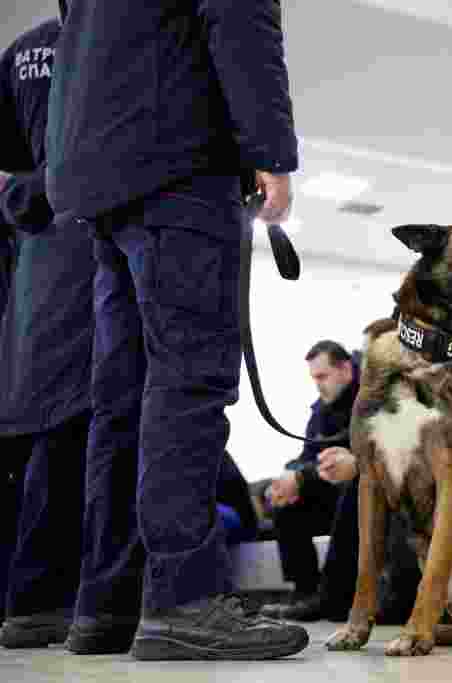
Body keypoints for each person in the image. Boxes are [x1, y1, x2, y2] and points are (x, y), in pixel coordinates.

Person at [47, 0, 308, 660]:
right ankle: (183, 600)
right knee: (187, 379)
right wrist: (270, 150)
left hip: (99, 169)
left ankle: (108, 602)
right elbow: (241, 14)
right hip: (177, 158)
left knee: (123, 396)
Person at [0, 16, 93, 650]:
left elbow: (9, 171)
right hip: (90, 250)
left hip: (35, 269)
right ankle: (54, 602)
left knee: (48, 448)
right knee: (81, 445)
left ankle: (35, 602)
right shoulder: (123, 34)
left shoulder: (22, 50)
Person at [262, 340, 360, 609]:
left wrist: (302, 476)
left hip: (362, 491)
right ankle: (305, 591)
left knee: (349, 492)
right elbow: (307, 456)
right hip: (328, 489)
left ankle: (335, 594)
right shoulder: (320, 412)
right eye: (314, 378)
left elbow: (361, 450)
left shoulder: (368, 396)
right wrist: (287, 479)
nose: (317, 384)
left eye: (322, 376)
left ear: (346, 369)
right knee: (288, 505)